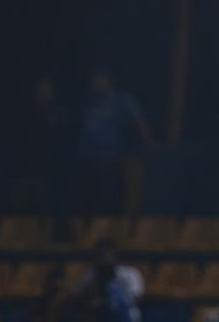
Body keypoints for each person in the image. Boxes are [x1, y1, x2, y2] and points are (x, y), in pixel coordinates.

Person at [77, 69, 154, 215]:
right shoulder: (87, 102)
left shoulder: (120, 100)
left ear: (108, 81)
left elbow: (139, 121)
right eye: (94, 80)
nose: (96, 83)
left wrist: (148, 141)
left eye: (100, 79)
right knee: (86, 198)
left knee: (105, 197)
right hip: (85, 158)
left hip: (108, 158)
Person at [13, 76, 70, 215]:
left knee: (43, 208)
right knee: (20, 206)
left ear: (52, 90)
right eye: (39, 87)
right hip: (25, 166)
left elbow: (60, 139)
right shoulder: (27, 110)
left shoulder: (58, 112)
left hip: (47, 168)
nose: (42, 90)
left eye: (45, 87)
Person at [72, 239, 144, 322]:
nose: (104, 259)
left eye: (106, 255)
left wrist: (115, 301)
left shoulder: (130, 273)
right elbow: (80, 296)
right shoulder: (90, 275)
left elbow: (138, 297)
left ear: (114, 255)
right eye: (100, 255)